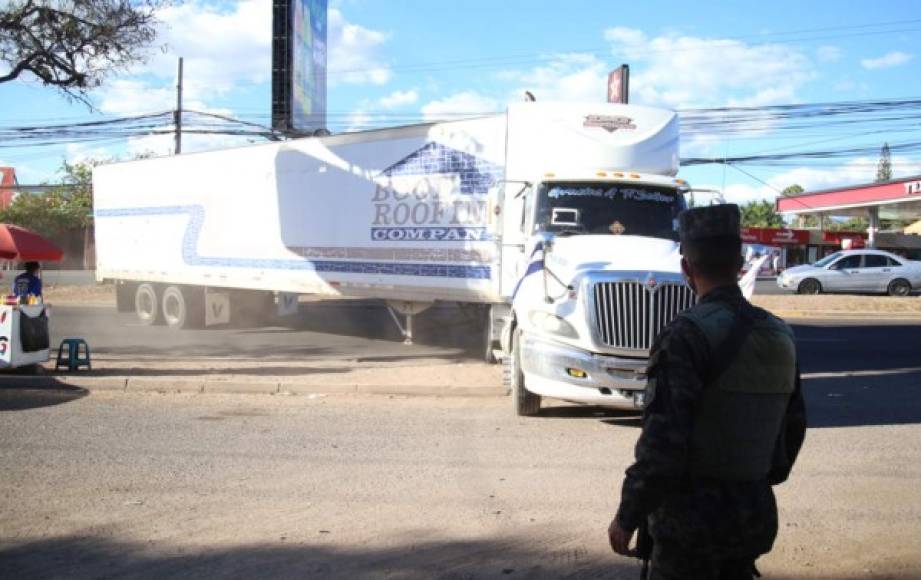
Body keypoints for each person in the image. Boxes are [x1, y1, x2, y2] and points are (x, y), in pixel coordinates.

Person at [608, 204, 807, 579]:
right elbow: (792, 429)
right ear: (740, 264)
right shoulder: (779, 334)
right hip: (753, 516)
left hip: (690, 526)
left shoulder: (686, 335)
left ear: (687, 269)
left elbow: (662, 444)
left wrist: (628, 514)